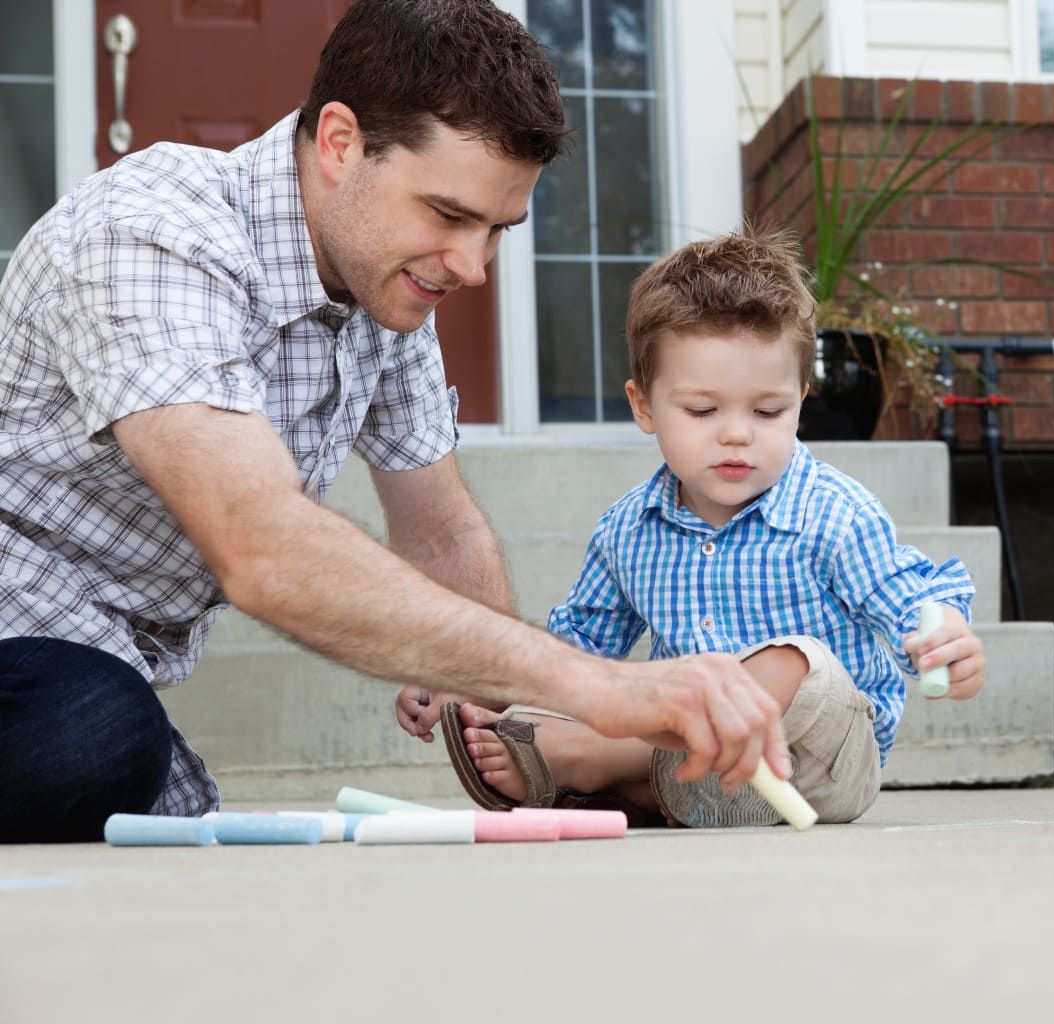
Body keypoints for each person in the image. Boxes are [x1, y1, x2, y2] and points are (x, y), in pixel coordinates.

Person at [0, 0, 788, 845]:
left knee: (134, 760)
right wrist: (599, 687)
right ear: (341, 144)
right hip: (30, 639)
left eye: (497, 231)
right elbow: (261, 549)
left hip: (85, 664)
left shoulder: (385, 289)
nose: (473, 267)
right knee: (99, 730)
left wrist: (526, 735)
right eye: (449, 215)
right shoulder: (152, 237)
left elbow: (442, 535)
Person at [405, 230, 986, 827]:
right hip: (704, 779)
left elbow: (912, 595)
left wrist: (943, 633)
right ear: (643, 406)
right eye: (703, 411)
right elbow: (574, 656)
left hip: (813, 764)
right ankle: (636, 786)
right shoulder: (627, 531)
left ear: (801, 401)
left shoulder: (834, 514)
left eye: (768, 411)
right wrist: (471, 687)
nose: (737, 434)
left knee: (796, 660)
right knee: (587, 693)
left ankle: (597, 761)